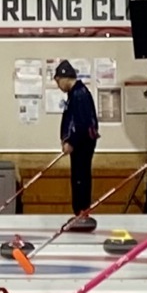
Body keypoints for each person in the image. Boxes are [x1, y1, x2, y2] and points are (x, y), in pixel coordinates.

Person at [55, 60, 98, 220]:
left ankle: (82, 212)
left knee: (81, 177)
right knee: (78, 177)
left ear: (65, 77)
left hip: (82, 145)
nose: (58, 85)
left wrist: (71, 142)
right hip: (79, 144)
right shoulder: (74, 94)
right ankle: (80, 212)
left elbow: (82, 123)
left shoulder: (80, 94)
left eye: (58, 81)